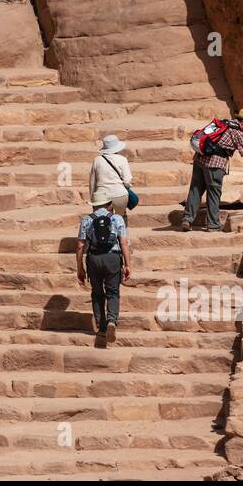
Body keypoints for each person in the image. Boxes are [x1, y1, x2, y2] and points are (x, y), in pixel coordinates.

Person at [181, 107, 243, 232]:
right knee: (213, 194)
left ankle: (187, 219)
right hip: (215, 165)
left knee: (195, 190)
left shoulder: (223, 123)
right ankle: (213, 225)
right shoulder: (237, 133)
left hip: (199, 159)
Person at [76, 185, 132, 343]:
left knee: (97, 292)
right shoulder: (117, 219)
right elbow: (124, 243)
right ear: (109, 204)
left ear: (94, 205)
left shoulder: (87, 220)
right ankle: (112, 321)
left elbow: (80, 245)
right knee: (113, 292)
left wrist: (80, 268)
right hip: (112, 258)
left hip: (94, 259)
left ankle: (101, 328)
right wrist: (127, 265)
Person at [90, 134, 134, 217]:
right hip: (119, 194)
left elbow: (92, 182)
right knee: (121, 218)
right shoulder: (122, 159)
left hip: (102, 196)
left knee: (105, 219)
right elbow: (127, 180)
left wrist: (93, 198)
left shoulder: (97, 160)